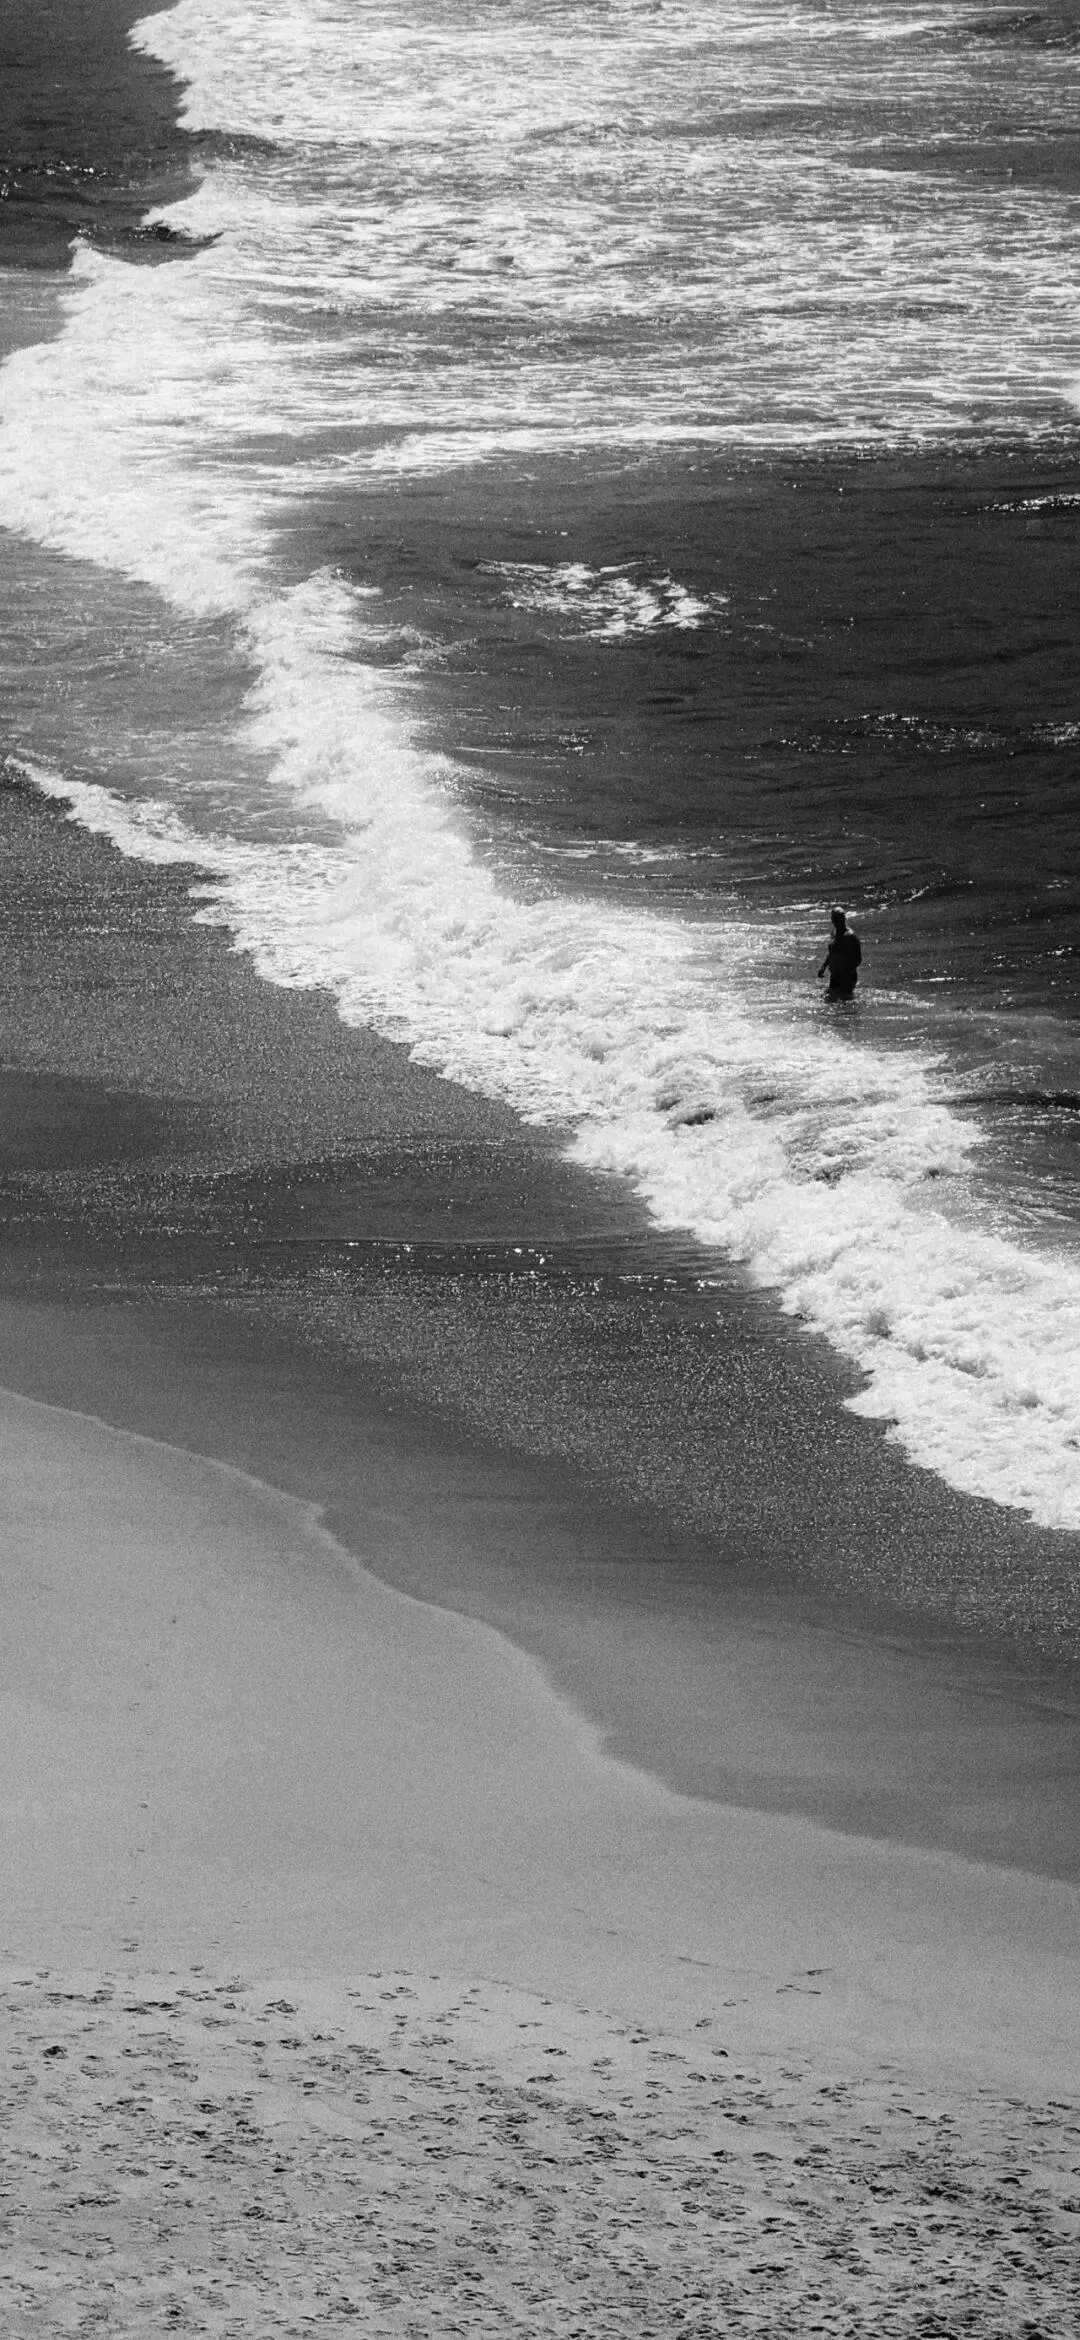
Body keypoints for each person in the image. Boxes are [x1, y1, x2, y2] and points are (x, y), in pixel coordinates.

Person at [817, 906, 862, 999]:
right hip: (834, 975)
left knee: (846, 1001)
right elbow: (832, 952)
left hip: (847, 977)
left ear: (844, 919)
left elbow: (858, 959)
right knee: (829, 1000)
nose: (838, 922)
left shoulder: (850, 936)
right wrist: (824, 966)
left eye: (840, 919)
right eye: (835, 919)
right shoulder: (834, 933)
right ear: (832, 920)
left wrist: (846, 973)